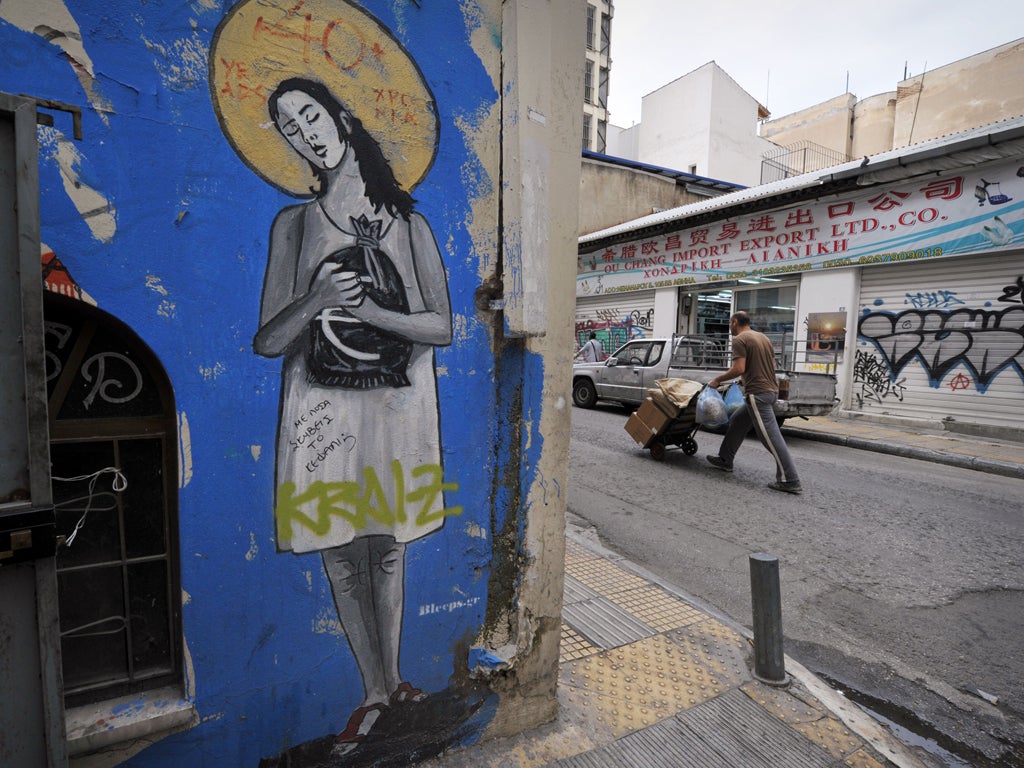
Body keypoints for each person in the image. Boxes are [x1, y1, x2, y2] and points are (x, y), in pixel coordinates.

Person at [254, 77, 454, 755]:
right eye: (288, 126)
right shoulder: (293, 226)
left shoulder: (410, 224)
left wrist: (370, 313)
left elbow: (442, 325)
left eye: (309, 114)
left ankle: (391, 683)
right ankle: (374, 690)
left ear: (339, 116)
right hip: (323, 413)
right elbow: (268, 340)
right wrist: (315, 299)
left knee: (388, 549)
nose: (304, 131)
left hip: (398, 407)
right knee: (342, 552)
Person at [705, 311, 802, 494]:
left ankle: (790, 479)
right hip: (769, 391)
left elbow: (739, 368)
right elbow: (769, 366)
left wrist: (717, 380)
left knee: (771, 438)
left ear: (734, 322)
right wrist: (746, 379)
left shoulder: (740, 340)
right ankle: (725, 459)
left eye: (729, 323)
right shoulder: (762, 337)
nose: (729, 327)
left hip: (758, 394)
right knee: (737, 422)